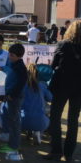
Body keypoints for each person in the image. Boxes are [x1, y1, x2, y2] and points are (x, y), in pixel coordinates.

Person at [44, 20, 81, 162]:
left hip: (62, 85)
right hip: (78, 88)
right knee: (73, 120)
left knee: (55, 117)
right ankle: (69, 154)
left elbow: (54, 65)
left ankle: (56, 151)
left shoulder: (63, 45)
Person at [0, 44, 27, 160]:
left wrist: (11, 95)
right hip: (11, 96)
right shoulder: (14, 64)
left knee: (15, 122)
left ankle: (14, 146)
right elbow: (8, 70)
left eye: (12, 55)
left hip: (14, 98)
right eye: (9, 53)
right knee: (11, 120)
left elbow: (21, 83)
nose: (9, 56)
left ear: (19, 56)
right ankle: (11, 143)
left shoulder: (20, 68)